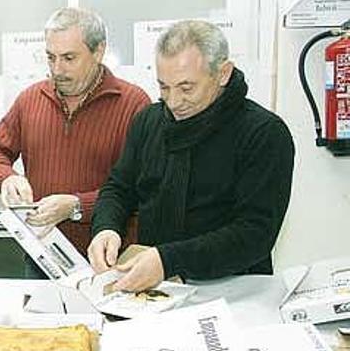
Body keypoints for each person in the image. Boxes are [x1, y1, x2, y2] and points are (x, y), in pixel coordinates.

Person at [88, 20, 294, 291]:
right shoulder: (148, 121)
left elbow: (254, 234)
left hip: (233, 291)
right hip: (154, 288)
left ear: (223, 74)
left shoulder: (264, 134)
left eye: (186, 88)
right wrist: (106, 228)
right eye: (164, 87)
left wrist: (169, 260)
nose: (173, 102)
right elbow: (119, 188)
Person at [0, 7, 150, 257]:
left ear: (98, 51)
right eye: (50, 57)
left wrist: (77, 206)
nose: (57, 70)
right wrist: (6, 177)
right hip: (42, 255)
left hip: (110, 257)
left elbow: (143, 187)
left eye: (69, 58)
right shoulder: (30, 99)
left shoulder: (134, 104)